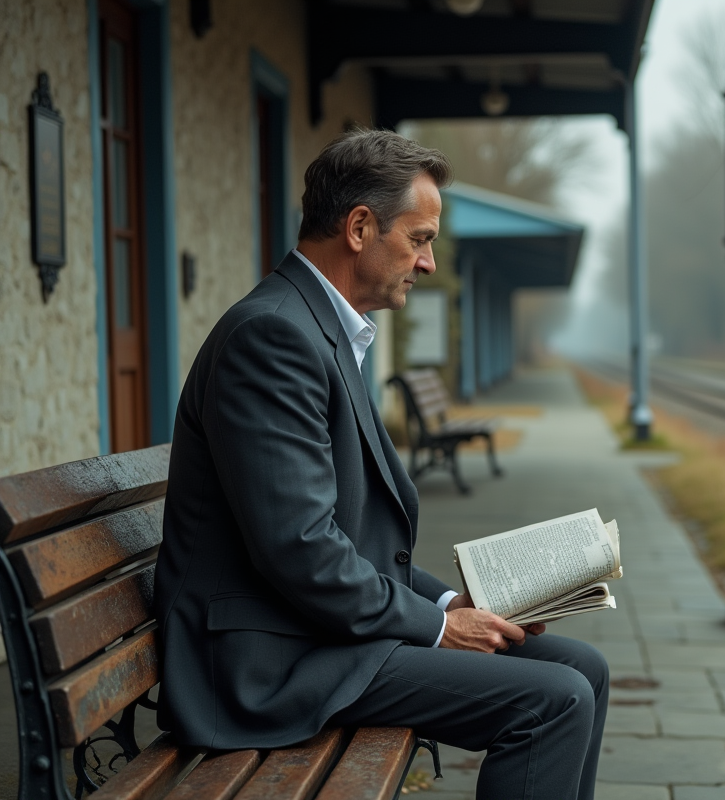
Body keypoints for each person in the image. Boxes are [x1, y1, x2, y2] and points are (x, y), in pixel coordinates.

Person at [153, 128, 609, 800]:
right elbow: (299, 548)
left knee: (582, 667)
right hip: (268, 663)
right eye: (419, 239)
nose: (426, 263)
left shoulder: (319, 331)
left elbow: (346, 541)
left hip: (314, 634)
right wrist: (437, 628)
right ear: (360, 228)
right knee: (554, 700)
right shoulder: (274, 337)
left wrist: (456, 601)